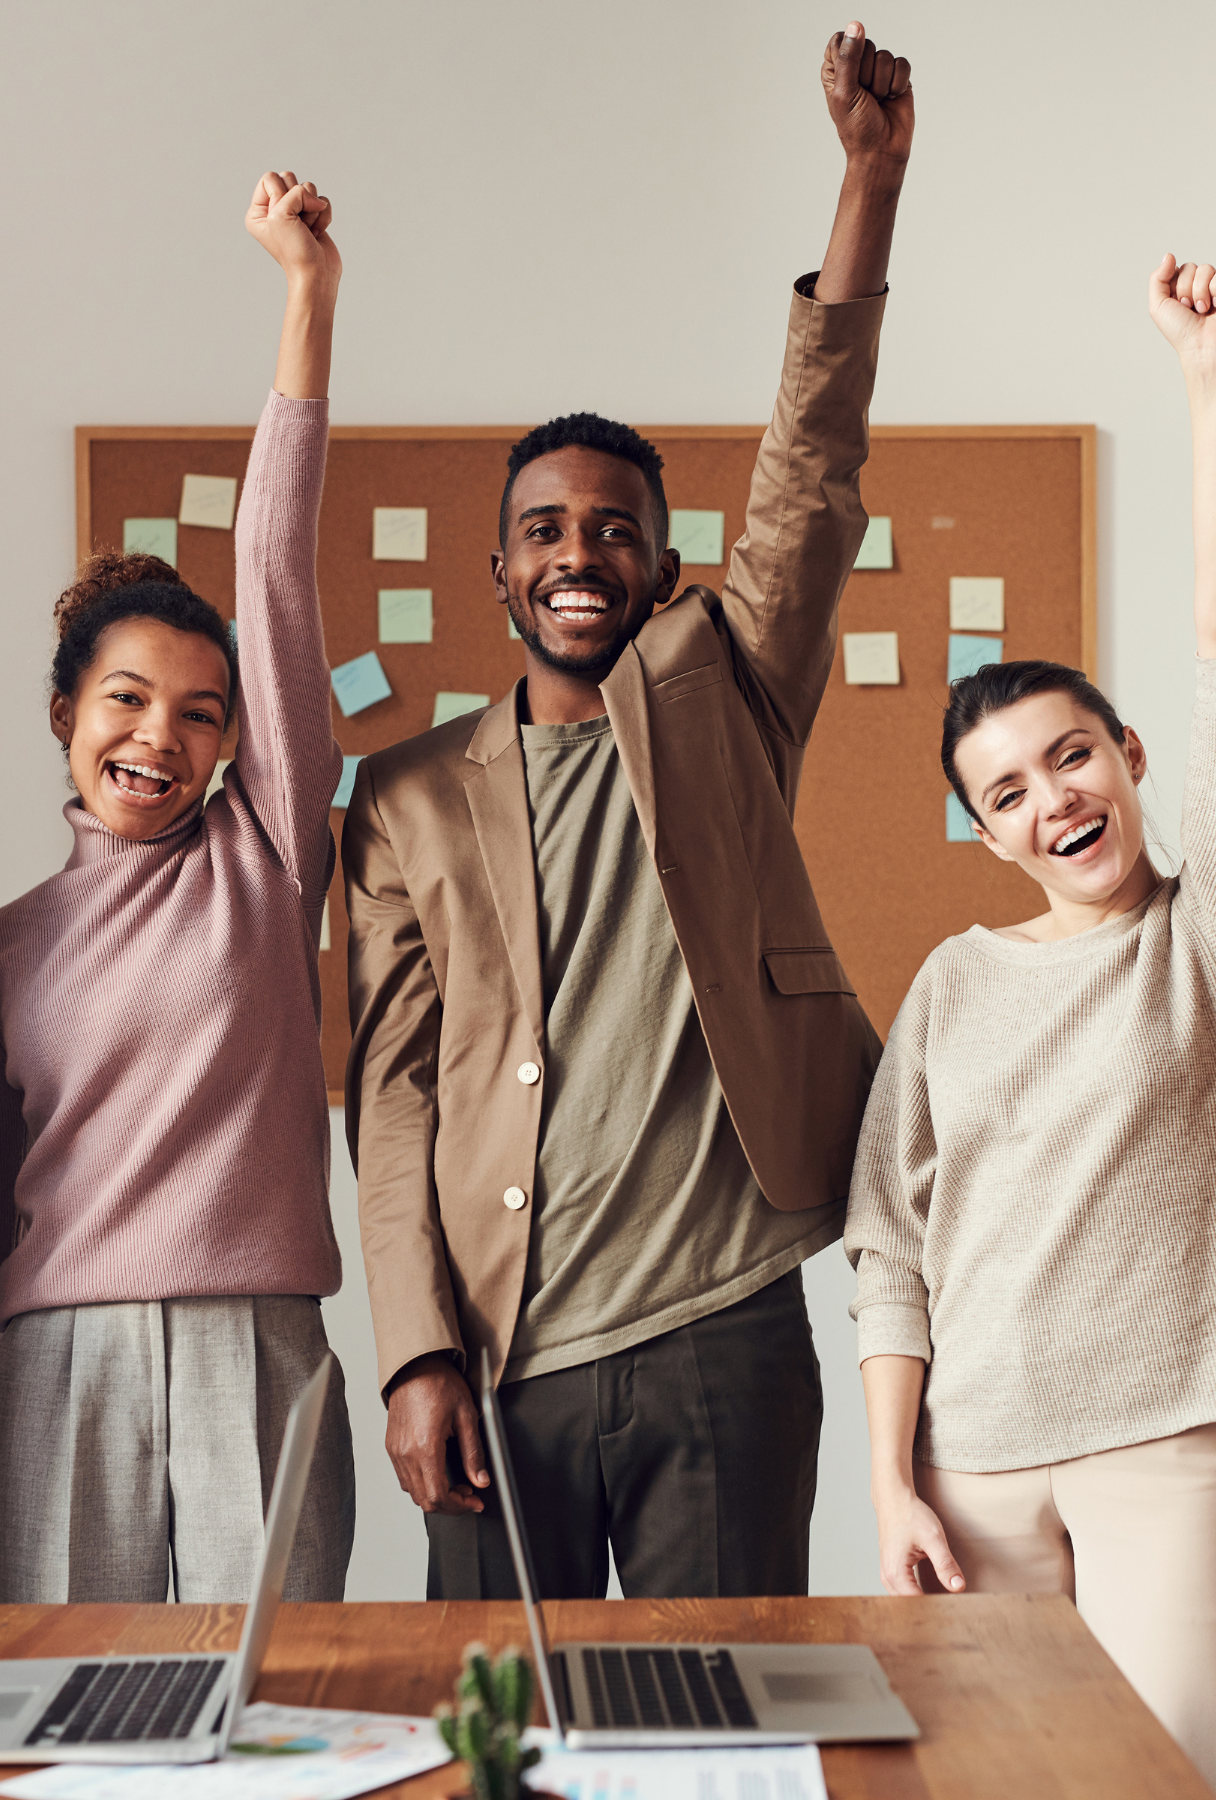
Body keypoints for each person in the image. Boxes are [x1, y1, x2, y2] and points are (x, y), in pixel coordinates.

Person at [343, 23, 911, 1602]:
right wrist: (412, 1356)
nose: (577, 552)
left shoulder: (726, 690)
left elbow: (811, 469)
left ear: (664, 568)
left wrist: (869, 185)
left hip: (720, 1327)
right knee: (494, 1735)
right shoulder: (401, 801)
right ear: (502, 571)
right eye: (543, 530)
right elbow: (390, 1102)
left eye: (613, 530)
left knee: (716, 1735)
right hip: (498, 1348)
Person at [843, 255, 1216, 1800]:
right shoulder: (952, 985)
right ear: (985, 831)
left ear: (1125, 755)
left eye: (1072, 758)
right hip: (971, 1474)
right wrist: (893, 1478)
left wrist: (1207, 380)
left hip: (1171, 1458)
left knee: (1192, 1790)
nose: (1055, 801)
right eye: (1010, 792)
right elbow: (889, 1249)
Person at [0, 171, 354, 1603]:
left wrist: (306, 296)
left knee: (270, 1716)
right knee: (52, 1722)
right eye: (128, 699)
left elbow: (270, 569)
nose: (162, 735)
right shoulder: (13, 942)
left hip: (253, 1345)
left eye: (202, 712)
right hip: (50, 1356)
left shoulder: (263, 858)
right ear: (67, 711)